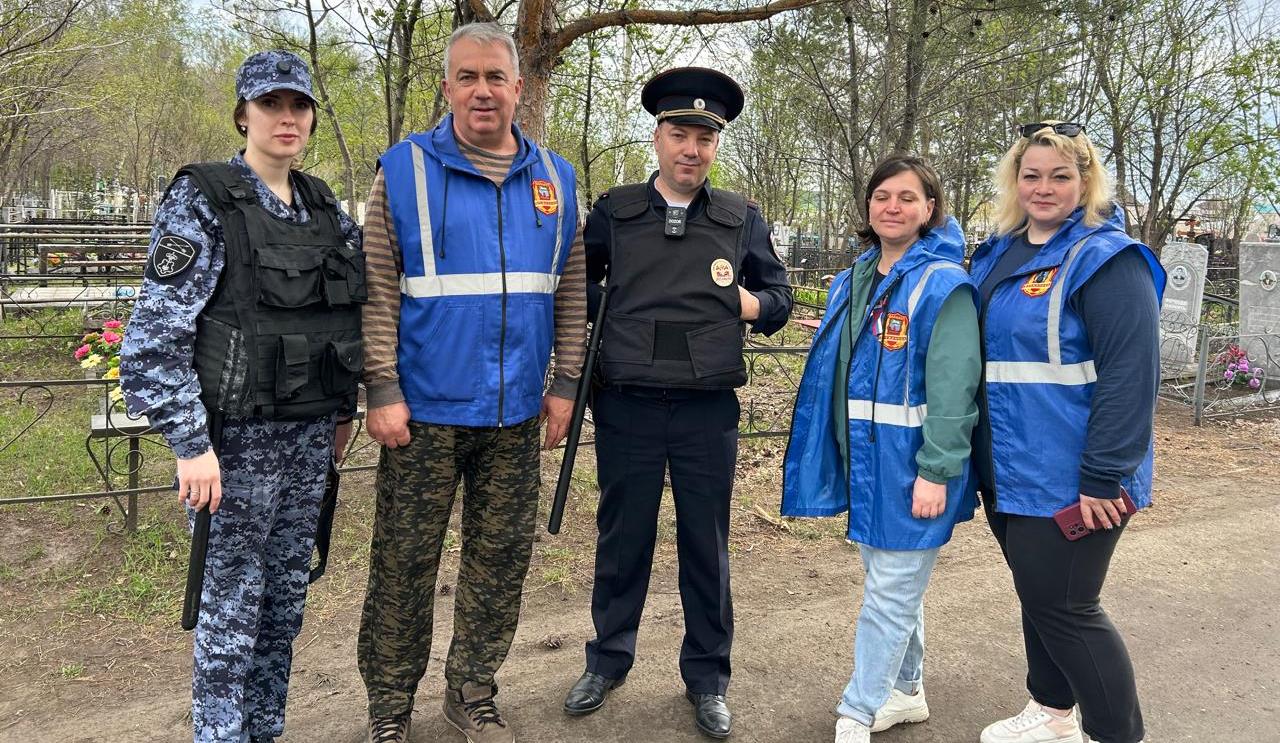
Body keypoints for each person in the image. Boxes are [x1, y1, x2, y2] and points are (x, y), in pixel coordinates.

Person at [119, 50, 363, 742]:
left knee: (283, 609)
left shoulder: (323, 207)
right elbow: (153, 339)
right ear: (244, 114)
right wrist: (191, 444)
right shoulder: (204, 198)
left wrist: (344, 412)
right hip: (232, 451)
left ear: (311, 117)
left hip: (307, 445)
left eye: (298, 107)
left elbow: (341, 315)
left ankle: (264, 731)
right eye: (270, 105)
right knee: (229, 618)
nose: (286, 119)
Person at [355, 22, 585, 743]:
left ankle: (473, 694)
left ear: (518, 87)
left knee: (499, 566)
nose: (482, 91)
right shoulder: (403, 168)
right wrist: (381, 387)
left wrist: (567, 381)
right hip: (422, 412)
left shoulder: (556, 177)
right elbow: (377, 288)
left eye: (495, 77)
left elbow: (571, 286)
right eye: (467, 77)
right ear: (448, 86)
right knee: (403, 565)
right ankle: (389, 709)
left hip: (516, 411)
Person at [560, 67, 793, 740]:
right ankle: (607, 660)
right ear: (658, 137)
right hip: (628, 402)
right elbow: (579, 286)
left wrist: (745, 303)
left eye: (705, 138)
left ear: (716, 147)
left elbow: (777, 299)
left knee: (706, 547)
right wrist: (623, 316)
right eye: (679, 134)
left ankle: (708, 678)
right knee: (621, 540)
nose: (691, 149)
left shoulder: (740, 218)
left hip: (705, 409)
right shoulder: (616, 211)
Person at [970, 122, 1163, 743]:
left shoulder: (1108, 260)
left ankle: (1115, 735)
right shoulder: (999, 253)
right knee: (1039, 596)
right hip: (1008, 464)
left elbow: (1131, 377)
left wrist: (1104, 474)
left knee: (1070, 610)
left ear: (1086, 182)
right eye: (1032, 175)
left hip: (1077, 474)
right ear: (1014, 180)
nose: (1044, 188)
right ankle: (1052, 713)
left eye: (1060, 176)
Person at [781, 156, 982, 743]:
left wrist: (937, 471)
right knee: (894, 585)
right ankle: (908, 688)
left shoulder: (943, 284)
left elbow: (954, 388)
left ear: (930, 209)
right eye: (882, 196)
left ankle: (858, 710)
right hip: (864, 459)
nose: (892, 206)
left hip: (912, 466)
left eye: (907, 197)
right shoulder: (854, 277)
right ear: (868, 206)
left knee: (889, 594)